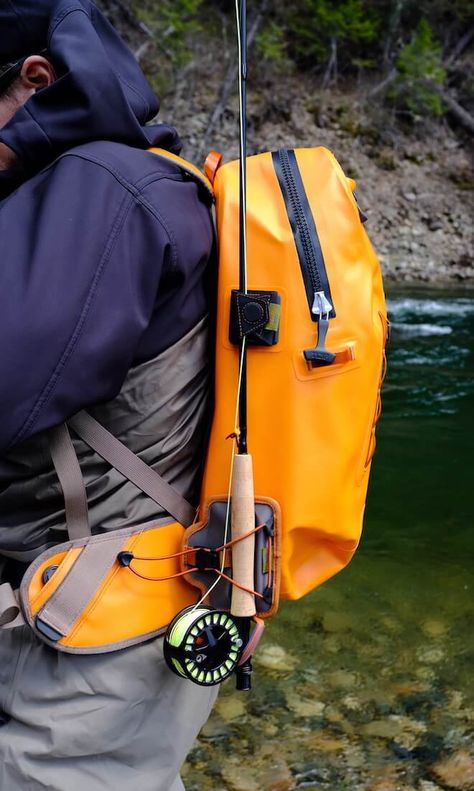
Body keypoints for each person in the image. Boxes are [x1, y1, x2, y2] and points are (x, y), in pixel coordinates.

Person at [0, 1, 218, 789]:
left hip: (96, 625)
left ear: (34, 80)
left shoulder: (98, 188)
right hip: (105, 598)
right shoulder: (109, 182)